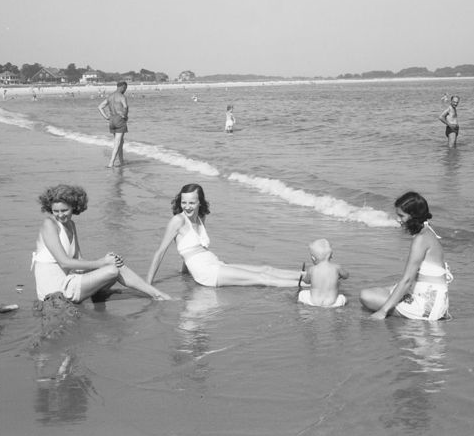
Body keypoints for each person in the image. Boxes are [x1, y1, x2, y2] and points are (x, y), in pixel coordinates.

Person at [146, 184, 305, 288]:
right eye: (184, 202)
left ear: (199, 202)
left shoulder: (201, 218)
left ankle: (306, 276)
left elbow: (191, 248)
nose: (187, 207)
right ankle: (308, 286)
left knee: (266, 269)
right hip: (207, 273)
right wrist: (147, 285)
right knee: (263, 279)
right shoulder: (177, 221)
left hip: (214, 263)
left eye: (192, 203)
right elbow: (160, 252)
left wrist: (184, 273)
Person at [32, 184, 170, 303]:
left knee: (114, 265)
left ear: (74, 207)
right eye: (56, 211)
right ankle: (158, 295)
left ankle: (156, 294)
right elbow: (65, 263)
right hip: (55, 290)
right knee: (112, 270)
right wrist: (102, 263)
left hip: (70, 280)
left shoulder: (71, 224)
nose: (60, 215)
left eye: (64, 210)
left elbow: (79, 261)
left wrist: (108, 260)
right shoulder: (49, 224)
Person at [359, 192, 453, 321]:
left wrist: (383, 311)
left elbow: (407, 279)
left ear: (413, 216)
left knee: (366, 296)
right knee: (381, 290)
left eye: (401, 216)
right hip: (433, 296)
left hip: (427, 304)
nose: (398, 219)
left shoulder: (420, 239)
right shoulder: (427, 231)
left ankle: (412, 315)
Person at [297, 239, 349, 308]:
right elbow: (346, 275)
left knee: (302, 294)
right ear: (331, 256)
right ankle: (341, 309)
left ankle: (301, 307)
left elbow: (307, 281)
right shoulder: (337, 268)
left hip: (314, 302)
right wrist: (340, 276)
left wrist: (304, 275)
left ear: (313, 258)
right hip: (332, 303)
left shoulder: (312, 269)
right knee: (343, 298)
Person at [98, 81, 129, 167]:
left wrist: (106, 117)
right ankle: (111, 163)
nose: (125, 90)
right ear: (122, 87)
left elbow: (100, 107)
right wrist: (125, 116)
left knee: (120, 142)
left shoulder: (110, 96)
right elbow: (125, 107)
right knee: (118, 142)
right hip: (119, 119)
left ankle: (122, 161)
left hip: (111, 120)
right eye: (125, 88)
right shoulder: (122, 96)